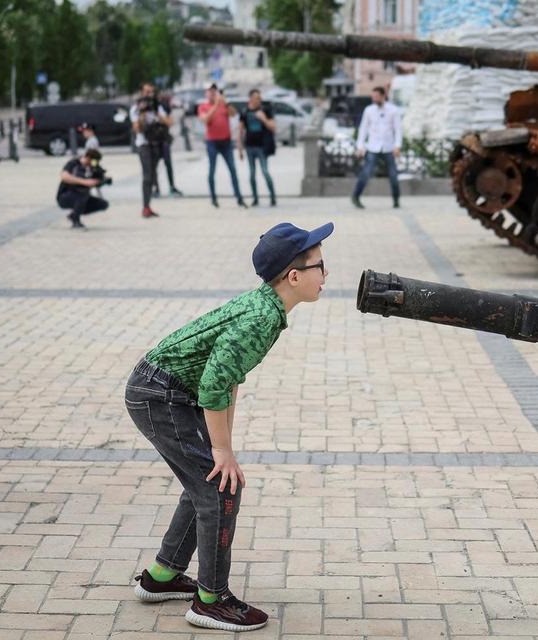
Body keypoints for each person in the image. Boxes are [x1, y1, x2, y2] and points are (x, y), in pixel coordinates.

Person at [127, 220, 333, 632]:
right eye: (320, 267)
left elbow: (227, 378)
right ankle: (211, 601)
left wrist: (223, 447)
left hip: (167, 393)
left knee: (211, 480)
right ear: (294, 277)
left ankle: (162, 576)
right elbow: (214, 384)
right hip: (158, 395)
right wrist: (222, 452)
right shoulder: (260, 318)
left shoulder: (267, 307)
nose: (326, 275)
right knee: (221, 489)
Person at [352, 86, 401, 209]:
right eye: (373, 96)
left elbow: (398, 130)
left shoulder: (393, 110)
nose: (374, 99)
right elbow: (363, 129)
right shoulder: (369, 110)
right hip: (373, 146)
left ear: (383, 95)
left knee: (393, 175)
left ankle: (396, 200)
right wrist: (360, 146)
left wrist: (397, 146)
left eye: (376, 96)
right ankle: (356, 196)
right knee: (366, 172)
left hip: (388, 147)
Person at [198, 82, 247, 208]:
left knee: (233, 170)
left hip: (226, 141)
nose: (213, 93)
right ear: (206, 93)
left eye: (215, 91)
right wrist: (215, 105)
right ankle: (213, 198)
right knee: (212, 170)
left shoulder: (223, 105)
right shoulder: (203, 106)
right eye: (210, 91)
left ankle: (239, 197)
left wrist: (225, 102)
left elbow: (233, 114)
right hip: (212, 142)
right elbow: (205, 119)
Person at [130, 82, 172, 218]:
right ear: (142, 93)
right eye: (147, 92)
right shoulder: (135, 108)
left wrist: (155, 112)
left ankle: (148, 203)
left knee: (152, 175)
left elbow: (169, 122)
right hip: (144, 145)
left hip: (156, 143)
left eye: (151, 92)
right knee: (147, 176)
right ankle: (145, 207)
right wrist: (142, 113)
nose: (150, 94)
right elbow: (137, 129)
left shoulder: (157, 107)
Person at [238, 89, 277, 207]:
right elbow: (240, 131)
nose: (259, 100)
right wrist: (240, 148)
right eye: (256, 98)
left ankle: (273, 197)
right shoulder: (245, 112)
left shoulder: (265, 110)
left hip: (262, 146)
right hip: (249, 146)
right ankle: (255, 198)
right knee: (252, 174)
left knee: (265, 172)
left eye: (260, 98)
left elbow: (273, 127)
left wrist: (263, 119)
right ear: (250, 99)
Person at [57, 148, 108, 230]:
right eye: (93, 161)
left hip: (82, 196)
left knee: (103, 204)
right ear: (88, 157)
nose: (93, 163)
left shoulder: (92, 168)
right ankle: (75, 221)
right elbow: (64, 176)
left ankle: (74, 214)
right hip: (65, 195)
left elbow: (98, 178)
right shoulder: (74, 164)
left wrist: (101, 181)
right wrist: (85, 182)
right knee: (82, 194)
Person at [153, 91, 183, 198]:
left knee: (168, 164)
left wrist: (159, 116)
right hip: (153, 140)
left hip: (164, 138)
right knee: (153, 166)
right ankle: (156, 188)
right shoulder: (146, 108)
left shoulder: (164, 107)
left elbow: (170, 122)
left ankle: (172, 186)